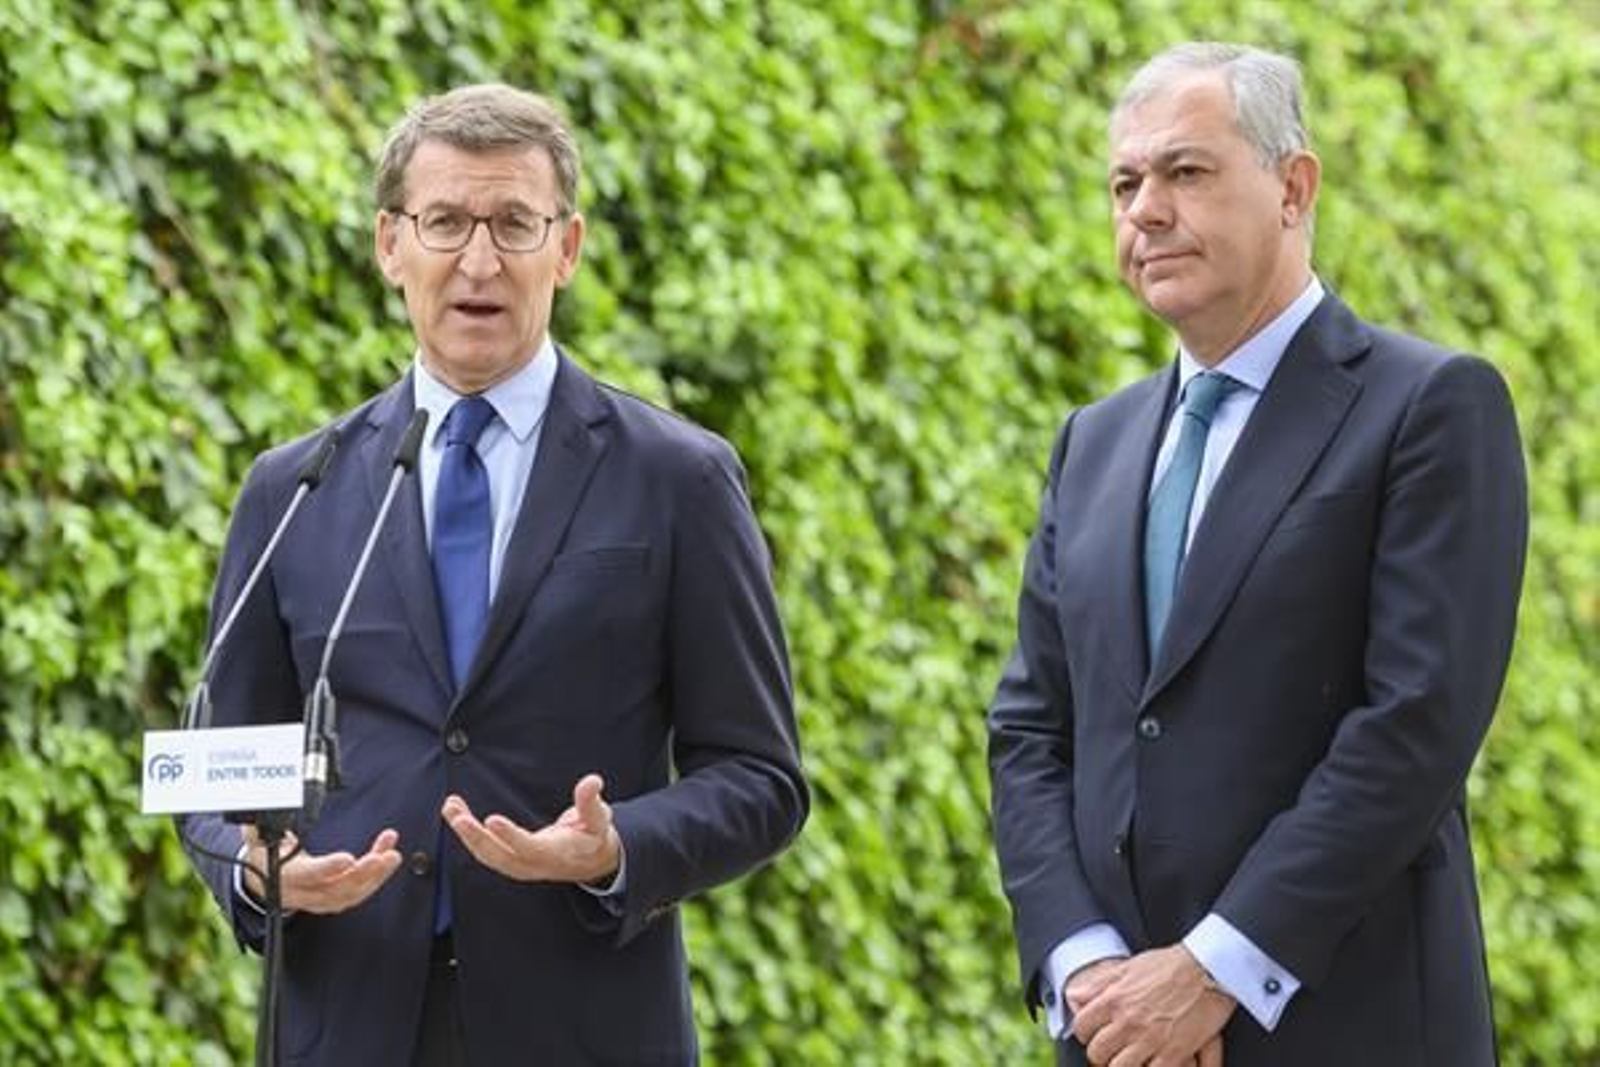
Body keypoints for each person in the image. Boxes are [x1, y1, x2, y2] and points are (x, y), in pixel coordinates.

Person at [183, 84, 808, 1065]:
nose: (479, 260)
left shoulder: (677, 478)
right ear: (392, 244)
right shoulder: (293, 489)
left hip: (584, 1022)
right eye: (444, 222)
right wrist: (257, 869)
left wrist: (616, 849)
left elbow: (763, 778)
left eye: (514, 223)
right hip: (344, 1023)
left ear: (566, 246)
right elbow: (213, 775)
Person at [987, 42, 1526, 1067]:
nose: (1143, 208)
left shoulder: (1428, 407)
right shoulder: (1090, 442)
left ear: (1293, 187)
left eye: (1184, 172)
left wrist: (1212, 969)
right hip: (1113, 1034)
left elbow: (1414, 725)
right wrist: (1083, 961)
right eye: (1123, 181)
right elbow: (1030, 727)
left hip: (1345, 1024)